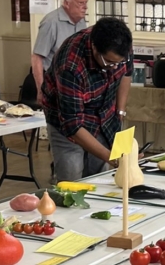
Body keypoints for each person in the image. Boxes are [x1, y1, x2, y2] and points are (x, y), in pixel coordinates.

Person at [41, 17, 133, 181]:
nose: (115, 66)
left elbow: (126, 73)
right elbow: (73, 125)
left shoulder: (121, 46)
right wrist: (111, 157)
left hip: (104, 113)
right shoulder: (70, 65)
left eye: (119, 62)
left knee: (99, 176)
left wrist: (120, 110)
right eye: (110, 62)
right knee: (72, 176)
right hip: (67, 117)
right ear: (94, 48)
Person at [31, 0, 88, 96]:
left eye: (86, 3)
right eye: (81, 3)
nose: (85, 7)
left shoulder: (81, 21)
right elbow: (37, 57)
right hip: (53, 81)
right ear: (67, 3)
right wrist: (41, 90)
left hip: (74, 81)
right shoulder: (51, 22)